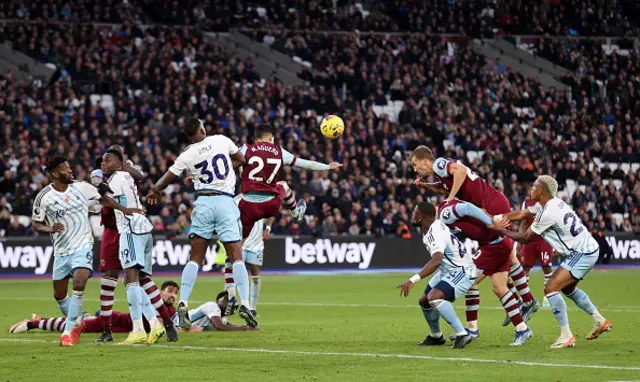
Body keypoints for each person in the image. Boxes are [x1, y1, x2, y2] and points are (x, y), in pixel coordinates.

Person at [146, 118, 257, 329]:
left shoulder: (187, 154)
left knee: (195, 258)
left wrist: (154, 190)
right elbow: (242, 160)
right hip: (225, 201)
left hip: (203, 203)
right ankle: (244, 303)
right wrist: (224, 169)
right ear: (203, 128)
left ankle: (183, 302)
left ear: (189, 135)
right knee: (236, 257)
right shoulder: (221, 140)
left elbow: (166, 178)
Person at [411, 146, 537, 328]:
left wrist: (451, 198)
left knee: (480, 270)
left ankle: (476, 326)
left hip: (490, 203)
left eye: (416, 164)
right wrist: (426, 186)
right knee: (505, 252)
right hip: (492, 200)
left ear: (425, 160)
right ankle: (525, 301)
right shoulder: (442, 175)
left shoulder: (439, 164)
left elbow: (460, 171)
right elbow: (443, 188)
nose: (415, 169)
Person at [222, 123, 340, 311]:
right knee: (283, 185)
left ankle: (230, 295)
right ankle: (296, 213)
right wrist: (328, 166)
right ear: (270, 138)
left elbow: (227, 163)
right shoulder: (278, 151)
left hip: (248, 205)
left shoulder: (246, 149)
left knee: (234, 254)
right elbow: (306, 165)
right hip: (270, 204)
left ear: (255, 138)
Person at [30, 156, 143, 346]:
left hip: (83, 244)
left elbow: (105, 200)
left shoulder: (82, 187)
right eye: (65, 169)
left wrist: (126, 209)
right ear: (55, 174)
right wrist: (49, 228)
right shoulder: (44, 197)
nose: (70, 171)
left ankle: (67, 333)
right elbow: (35, 223)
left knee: (80, 282)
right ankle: (77, 323)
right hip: (61, 251)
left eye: (69, 167)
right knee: (59, 295)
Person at [493, 175, 612, 348]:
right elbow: (522, 213)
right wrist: (500, 217)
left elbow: (525, 238)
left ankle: (566, 336)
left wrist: (501, 230)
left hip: (582, 252)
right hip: (586, 249)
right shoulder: (552, 204)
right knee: (568, 289)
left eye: (534, 187)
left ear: (541, 191)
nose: (531, 189)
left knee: (550, 288)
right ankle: (599, 320)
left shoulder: (547, 212)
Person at [437, 199, 534, 346]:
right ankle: (522, 329)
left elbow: (470, 208)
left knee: (469, 281)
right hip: (500, 242)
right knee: (499, 287)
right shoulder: (456, 212)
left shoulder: (446, 214)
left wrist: (490, 222)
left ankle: (472, 330)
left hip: (493, 246)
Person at [10, 281, 257, 334]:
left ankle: (39, 319)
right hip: (119, 319)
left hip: (126, 329)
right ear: (160, 292)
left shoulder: (171, 310)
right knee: (79, 325)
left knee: (81, 322)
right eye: (168, 291)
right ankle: (32, 324)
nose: (171, 295)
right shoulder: (156, 302)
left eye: (174, 292)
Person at [101, 149, 166, 345]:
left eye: (108, 160)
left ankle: (138, 329)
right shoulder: (127, 176)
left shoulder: (116, 177)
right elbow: (138, 175)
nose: (103, 163)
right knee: (139, 279)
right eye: (102, 161)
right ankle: (155, 323)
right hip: (144, 227)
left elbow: (105, 199)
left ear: (119, 163)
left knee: (130, 280)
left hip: (130, 230)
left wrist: (123, 209)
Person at [395, 202, 476, 349]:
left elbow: (437, 260)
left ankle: (462, 334)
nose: (412, 216)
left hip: (462, 270)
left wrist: (413, 280)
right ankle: (436, 336)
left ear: (421, 216)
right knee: (424, 301)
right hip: (448, 270)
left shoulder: (434, 231)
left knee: (434, 297)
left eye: (414, 213)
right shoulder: (430, 230)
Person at [518, 198, 555, 309]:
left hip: (544, 240)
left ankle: (548, 297)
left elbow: (554, 223)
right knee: (524, 268)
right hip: (529, 240)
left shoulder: (550, 201)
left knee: (547, 268)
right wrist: (520, 241)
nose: (533, 189)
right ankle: (526, 298)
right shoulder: (526, 202)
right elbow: (523, 222)